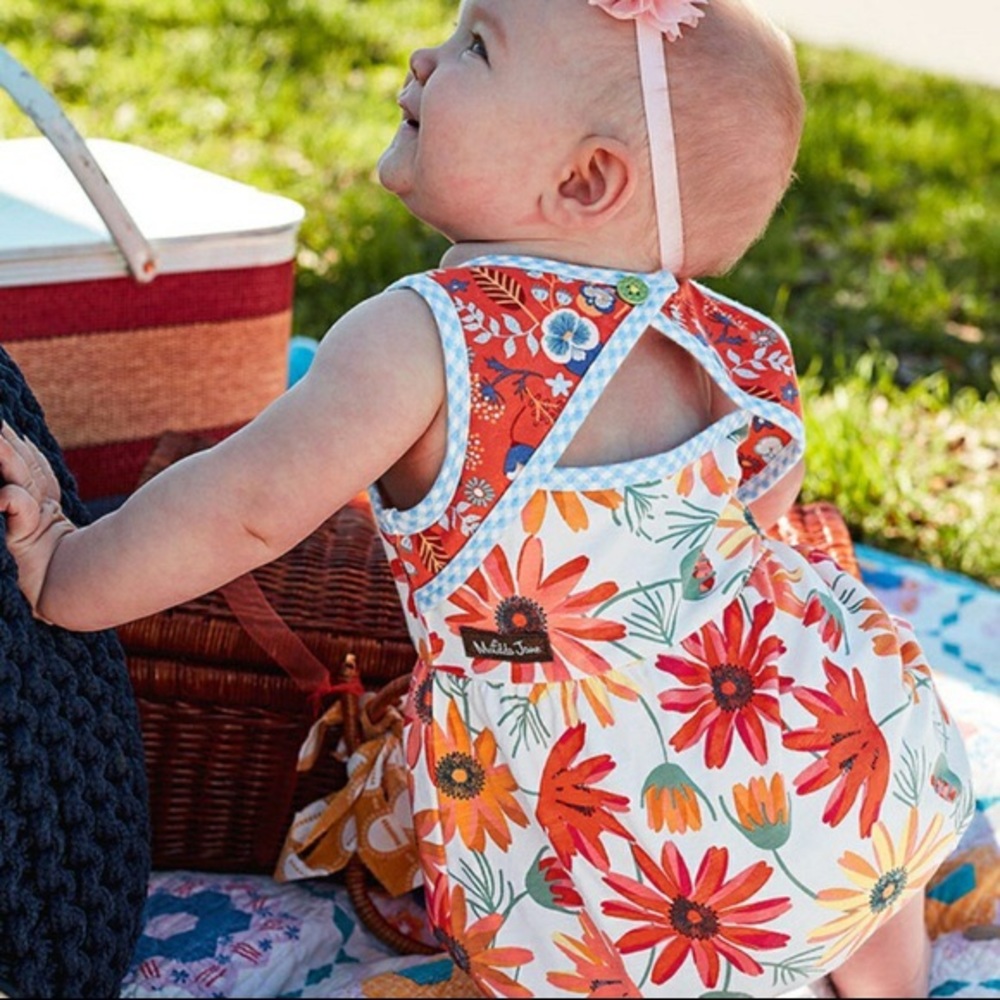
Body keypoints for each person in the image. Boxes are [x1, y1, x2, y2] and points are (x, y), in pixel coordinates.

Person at [0, 1, 971, 996]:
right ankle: (882, 973)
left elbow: (245, 504)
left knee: (621, 935)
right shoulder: (726, 340)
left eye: (476, 47)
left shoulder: (424, 337)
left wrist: (72, 568)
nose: (425, 57)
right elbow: (764, 505)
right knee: (860, 860)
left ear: (584, 179)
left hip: (608, 803)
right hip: (813, 721)